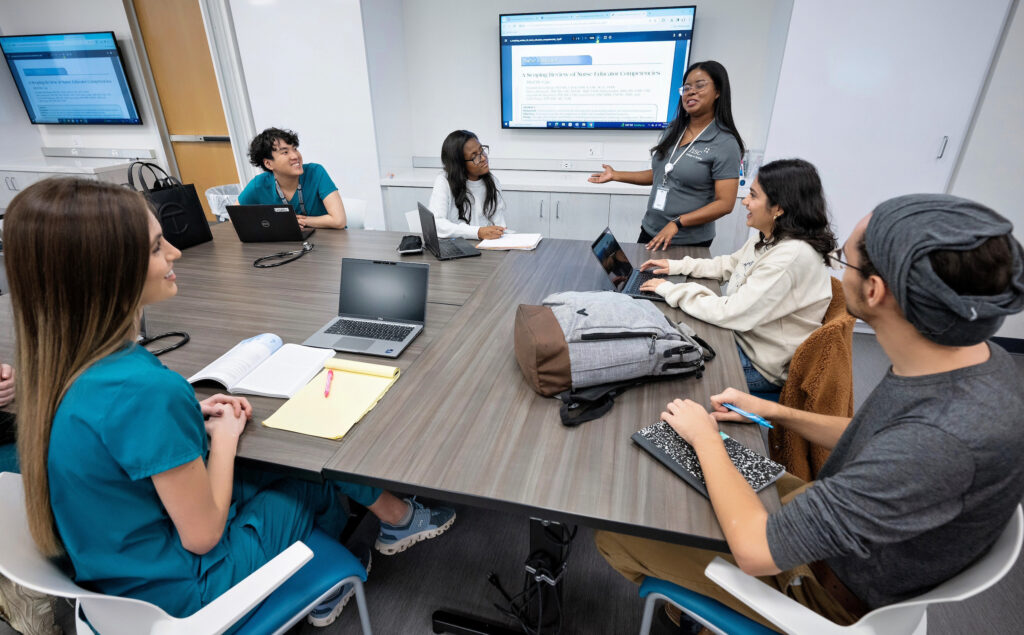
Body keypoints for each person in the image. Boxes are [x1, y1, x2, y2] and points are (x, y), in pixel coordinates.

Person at [5, 179, 455, 628]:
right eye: (158, 247)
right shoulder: (145, 391)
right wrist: (222, 437)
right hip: (187, 595)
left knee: (265, 467)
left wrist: (183, 417)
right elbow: (203, 537)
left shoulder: (57, 368)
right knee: (313, 471)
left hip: (115, 588)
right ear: (109, 272)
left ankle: (384, 525)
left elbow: (116, 437)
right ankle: (363, 548)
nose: (176, 255)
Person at [595, 193, 1024, 630]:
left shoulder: (938, 442)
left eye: (845, 261)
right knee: (679, 484)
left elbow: (756, 549)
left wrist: (705, 439)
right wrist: (772, 411)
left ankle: (697, 609)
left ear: (875, 291)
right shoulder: (968, 360)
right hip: (842, 533)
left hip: (823, 591)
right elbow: (875, 437)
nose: (837, 269)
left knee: (618, 529)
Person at [637, 159, 836, 394]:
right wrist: (677, 266)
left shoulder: (791, 256)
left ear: (779, 208)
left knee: (662, 362)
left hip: (759, 365)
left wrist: (670, 290)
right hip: (742, 336)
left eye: (753, 196)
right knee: (664, 334)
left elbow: (730, 312)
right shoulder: (773, 234)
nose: (745, 202)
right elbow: (730, 264)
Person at [588, 60, 743, 250]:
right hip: (652, 229)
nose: (691, 92)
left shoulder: (725, 143)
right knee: (637, 278)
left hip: (688, 240)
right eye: (686, 88)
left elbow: (725, 204)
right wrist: (616, 175)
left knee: (666, 281)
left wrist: (678, 222)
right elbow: (662, 173)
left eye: (700, 86)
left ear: (718, 91)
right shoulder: (674, 129)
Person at [238, 127, 348, 229]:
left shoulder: (315, 172)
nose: (295, 156)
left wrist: (298, 221)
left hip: (330, 243)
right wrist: (276, 222)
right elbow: (235, 218)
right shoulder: (259, 184)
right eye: (285, 152)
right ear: (268, 164)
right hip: (290, 245)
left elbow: (339, 221)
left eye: (295, 149)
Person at [426, 130, 508, 239]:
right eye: (474, 156)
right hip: (456, 248)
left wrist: (499, 232)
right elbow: (436, 224)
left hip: (486, 248)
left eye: (481, 150)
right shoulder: (444, 181)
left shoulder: (492, 181)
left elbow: (499, 224)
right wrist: (477, 232)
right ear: (459, 164)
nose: (483, 158)